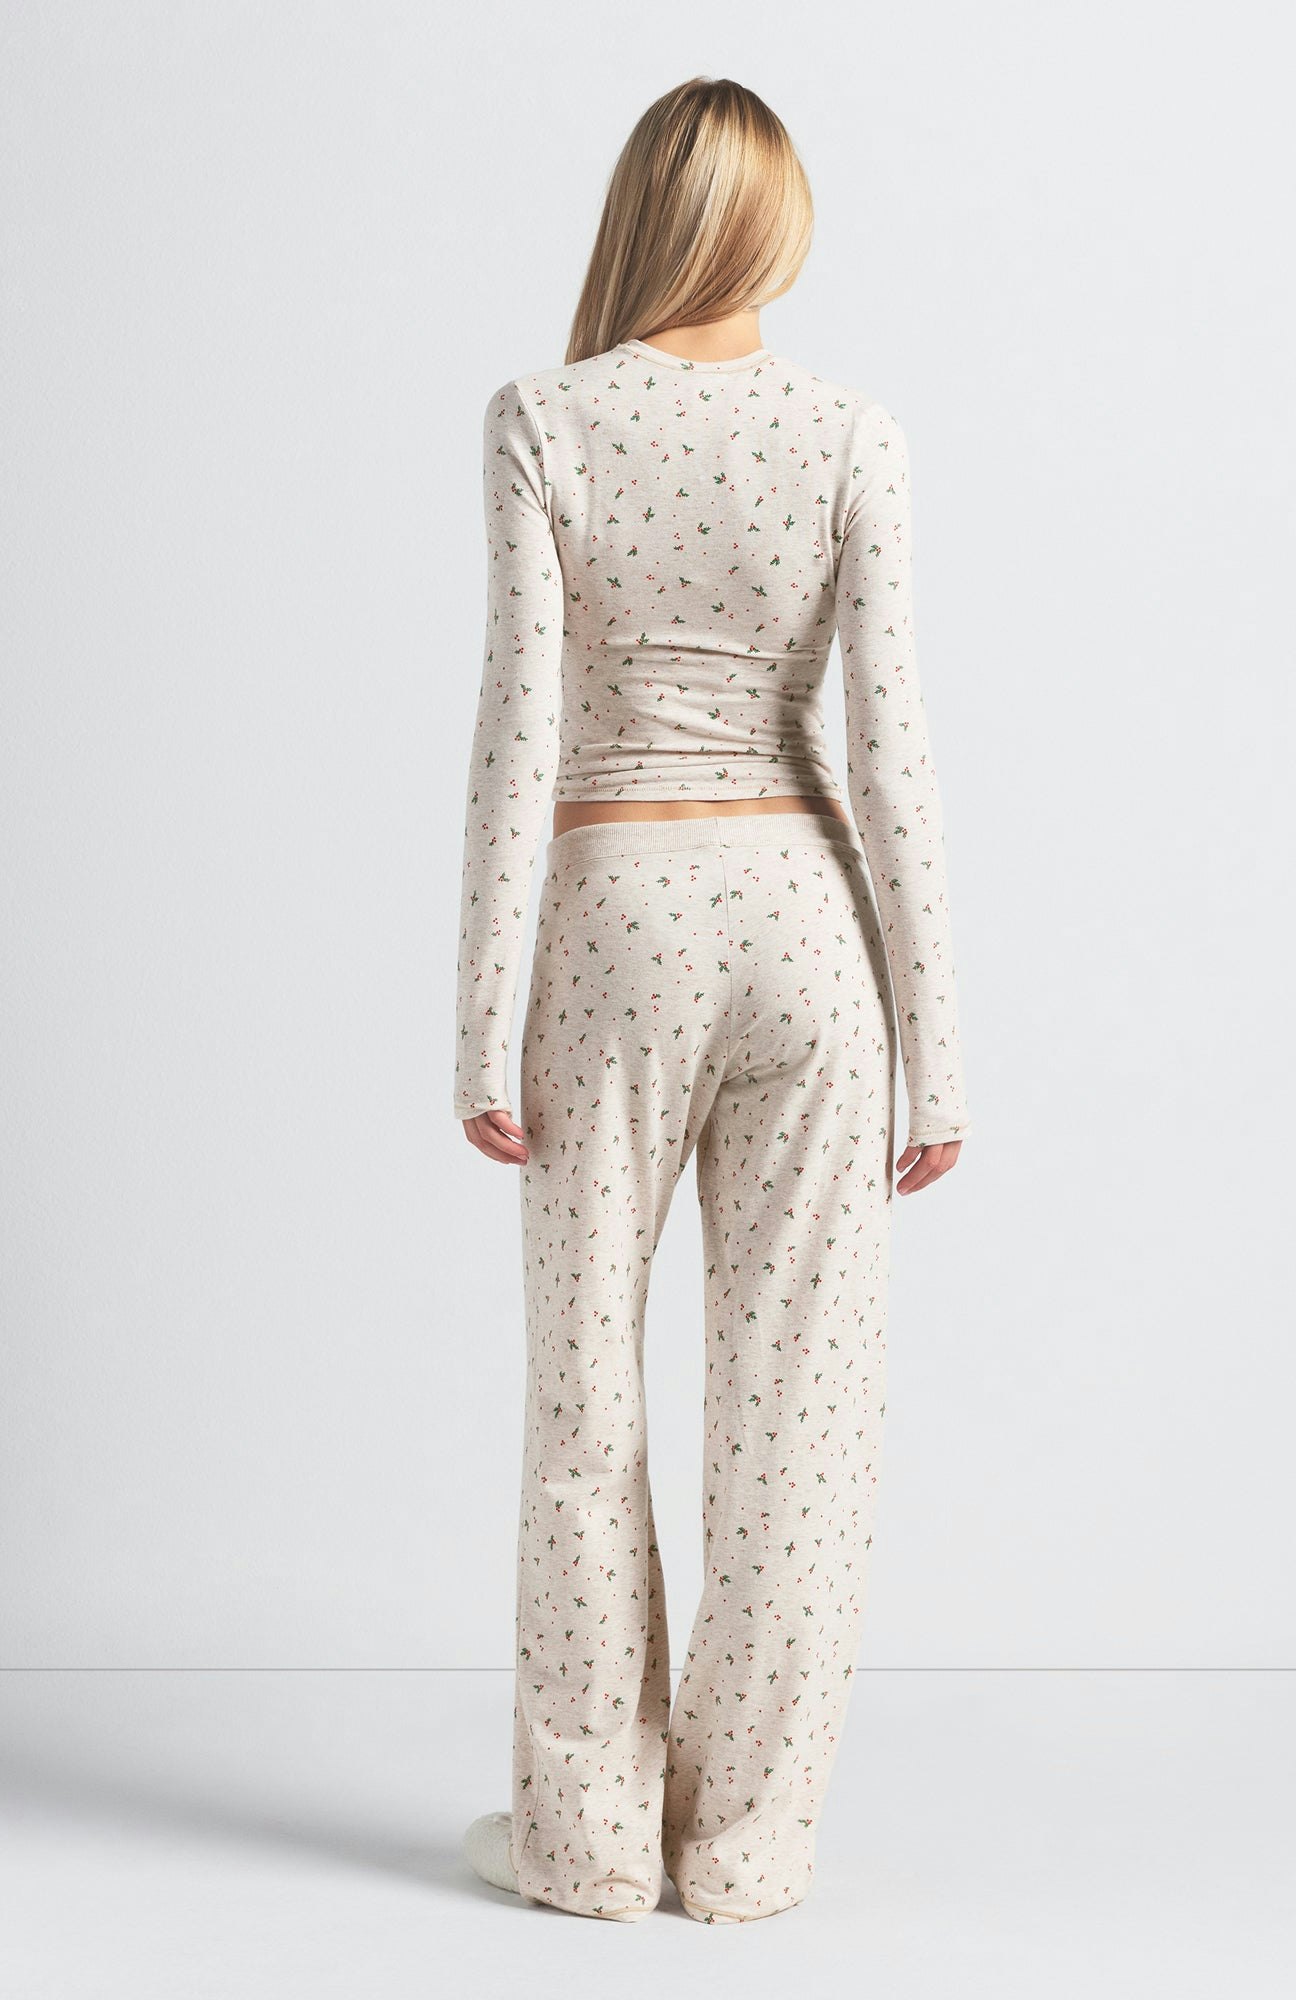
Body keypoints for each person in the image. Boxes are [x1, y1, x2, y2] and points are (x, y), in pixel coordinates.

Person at [454, 76, 971, 1924]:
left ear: (641, 213)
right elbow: (891, 754)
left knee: (583, 1386)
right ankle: (747, 1853)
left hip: (614, 917)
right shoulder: (850, 434)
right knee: (799, 1405)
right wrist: (939, 1054)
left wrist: (477, 1019)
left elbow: (520, 735)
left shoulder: (545, 417)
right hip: (808, 929)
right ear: (776, 223)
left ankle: (589, 1843)